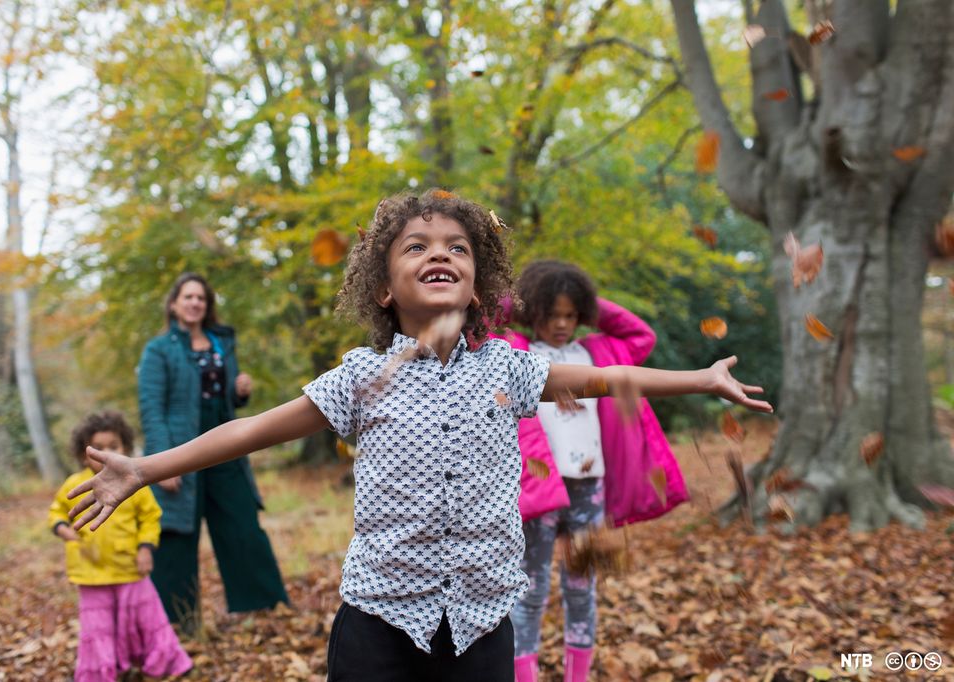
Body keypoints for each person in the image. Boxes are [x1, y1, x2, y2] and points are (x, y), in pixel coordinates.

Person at [67, 191, 772, 682]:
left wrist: (702, 380)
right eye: (418, 247)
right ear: (382, 287)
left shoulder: (509, 366)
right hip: (380, 621)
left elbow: (606, 380)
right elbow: (252, 429)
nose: (442, 254)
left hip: (481, 622)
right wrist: (143, 467)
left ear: (476, 285)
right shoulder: (358, 378)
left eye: (458, 249)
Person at [499, 260, 688, 682]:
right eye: (553, 315)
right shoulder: (514, 350)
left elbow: (642, 335)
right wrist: (535, 297)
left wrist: (583, 299)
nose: (562, 324)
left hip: (590, 489)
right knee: (529, 591)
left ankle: (576, 677)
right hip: (541, 489)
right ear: (535, 314)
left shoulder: (600, 352)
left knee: (581, 588)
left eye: (571, 314)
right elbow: (487, 318)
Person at [138, 273, 288, 633]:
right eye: (187, 297)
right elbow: (151, 409)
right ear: (174, 304)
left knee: (241, 522)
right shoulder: (159, 350)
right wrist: (161, 463)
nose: (194, 303)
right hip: (179, 451)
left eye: (200, 298)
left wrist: (240, 393)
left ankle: (262, 606)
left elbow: (224, 401)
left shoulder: (221, 343)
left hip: (225, 447)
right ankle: (176, 621)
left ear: (207, 306)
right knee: (176, 533)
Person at [48, 410, 192, 681]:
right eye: (97, 448)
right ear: (82, 454)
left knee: (145, 620)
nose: (106, 453)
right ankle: (104, 672)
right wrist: (62, 528)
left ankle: (160, 663)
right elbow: (57, 510)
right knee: (98, 627)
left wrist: (146, 548)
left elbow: (151, 516)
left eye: (113, 447)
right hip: (91, 571)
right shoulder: (74, 484)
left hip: (130, 568)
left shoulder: (134, 483)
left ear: (125, 448)